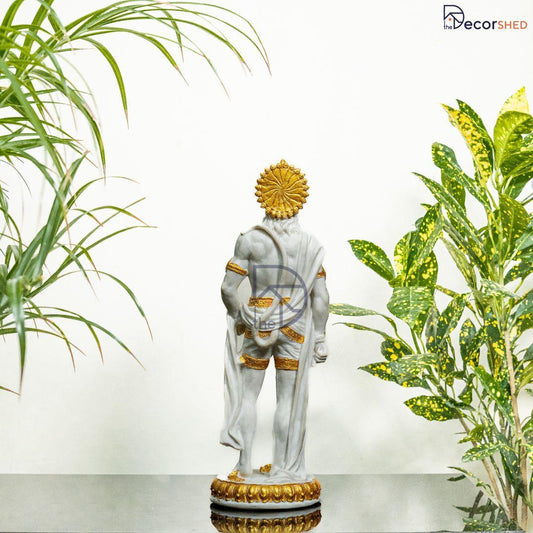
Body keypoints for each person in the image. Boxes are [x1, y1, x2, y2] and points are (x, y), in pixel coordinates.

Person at [219, 159, 329, 484]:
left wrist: (240, 317)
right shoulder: (310, 246)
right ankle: (284, 468)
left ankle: (244, 467)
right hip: (295, 326)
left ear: (265, 199)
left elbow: (228, 289)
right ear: (298, 201)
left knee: (248, 396)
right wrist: (320, 337)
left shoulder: (250, 241)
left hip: (259, 320)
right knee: (288, 400)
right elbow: (321, 298)